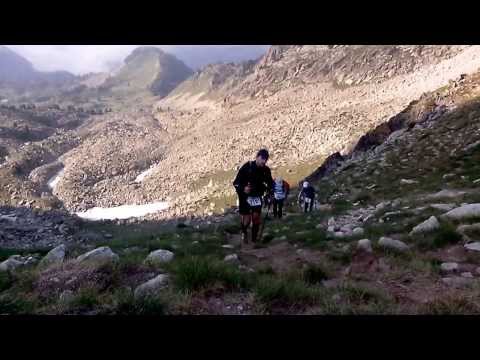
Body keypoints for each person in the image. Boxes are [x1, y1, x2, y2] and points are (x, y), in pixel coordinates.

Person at [233, 149, 274, 244]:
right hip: (245, 196)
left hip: (257, 196)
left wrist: (271, 193)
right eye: (262, 158)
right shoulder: (247, 167)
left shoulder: (266, 170)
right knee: (246, 218)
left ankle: (254, 239)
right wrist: (243, 188)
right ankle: (244, 232)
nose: (264, 161)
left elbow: (270, 183)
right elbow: (236, 183)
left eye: (266, 159)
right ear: (257, 157)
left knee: (256, 217)